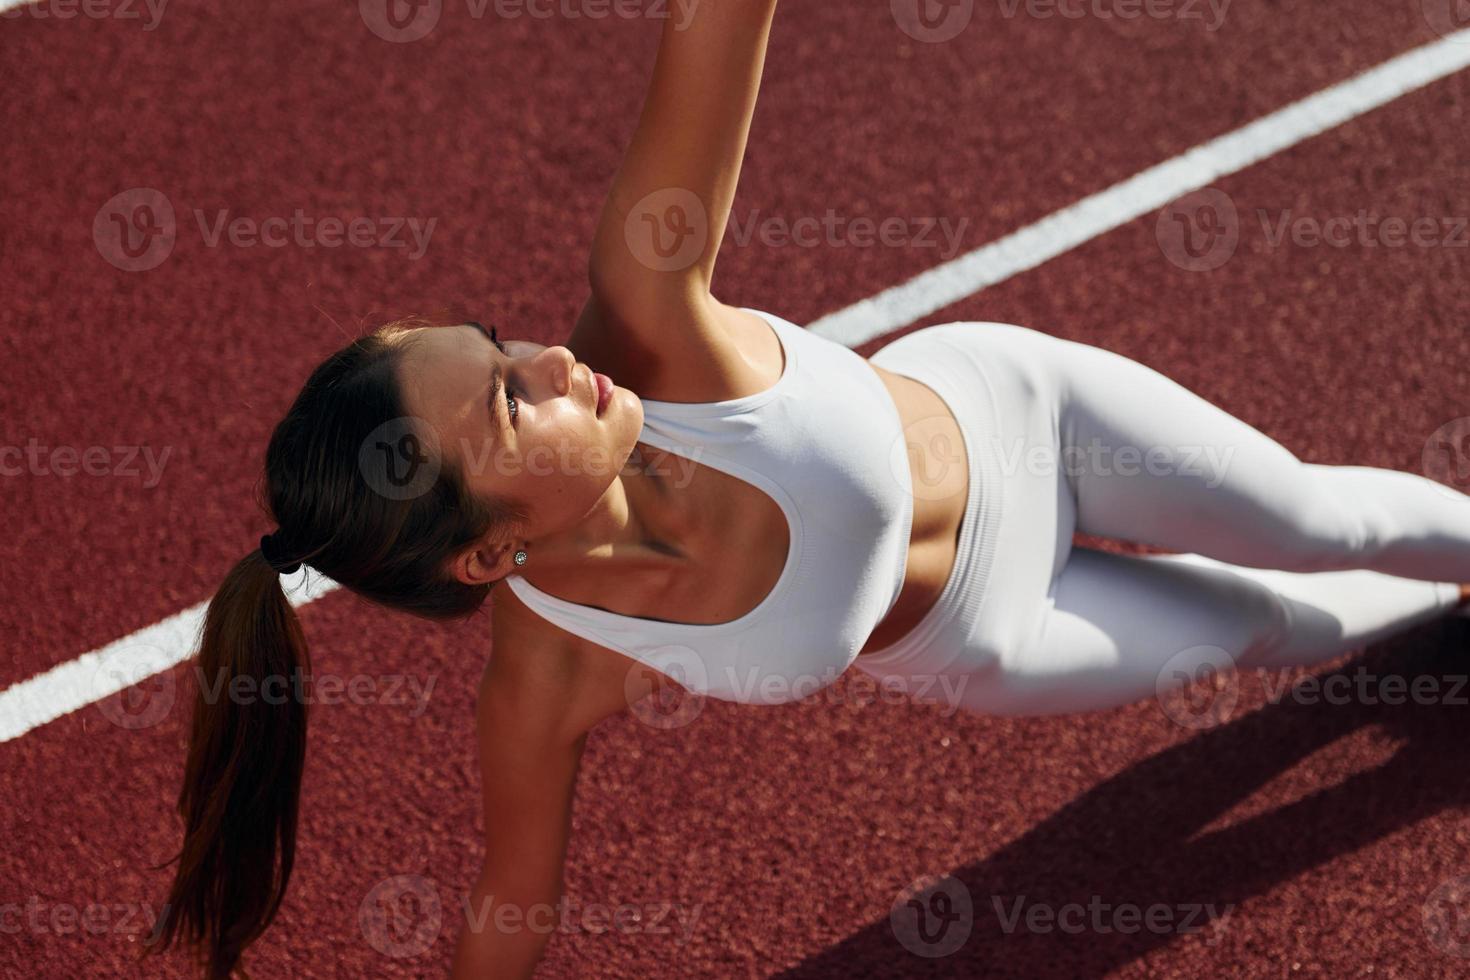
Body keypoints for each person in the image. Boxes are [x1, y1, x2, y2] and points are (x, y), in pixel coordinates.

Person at [145, 2, 1470, 977]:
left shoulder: (647, 323)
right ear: (485, 558)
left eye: (499, 348)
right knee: (1253, 630)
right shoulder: (548, 672)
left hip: (1028, 420)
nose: (550, 359)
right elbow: (508, 906)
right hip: (984, 639)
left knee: (1316, 519)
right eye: (507, 401)